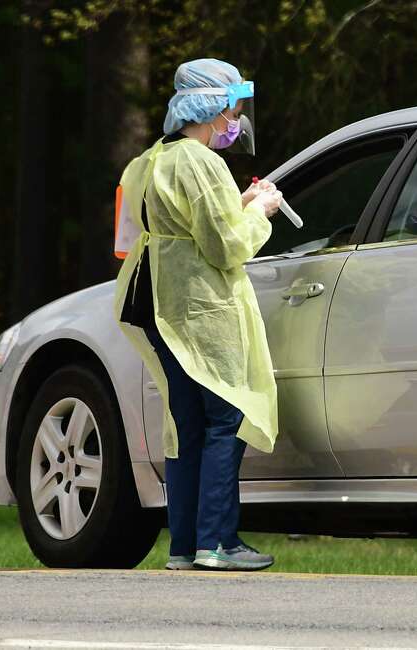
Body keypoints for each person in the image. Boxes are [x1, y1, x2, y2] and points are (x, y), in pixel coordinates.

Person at [112, 58, 283, 571]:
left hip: (153, 301)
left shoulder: (148, 160)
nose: (236, 119)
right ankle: (219, 543)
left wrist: (240, 199)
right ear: (213, 106)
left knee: (185, 423)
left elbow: (138, 235)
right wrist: (260, 211)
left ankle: (184, 547)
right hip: (198, 307)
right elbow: (228, 244)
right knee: (224, 418)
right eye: (234, 106)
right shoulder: (204, 162)